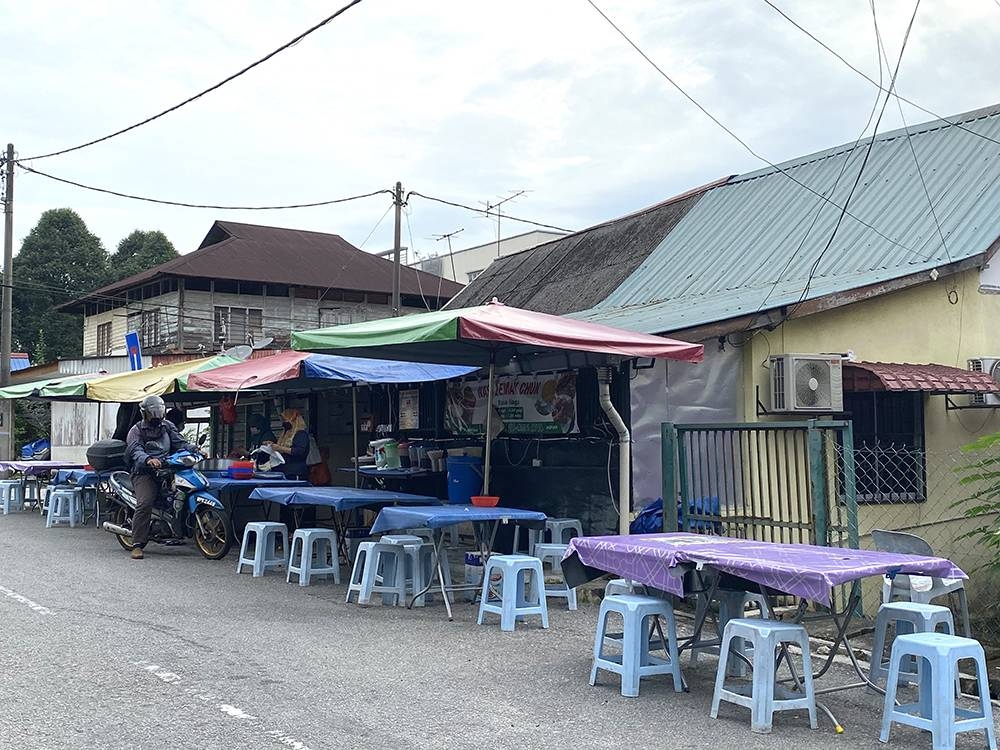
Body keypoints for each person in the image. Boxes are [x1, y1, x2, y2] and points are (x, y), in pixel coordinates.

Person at [124, 394, 199, 560]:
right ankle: (137, 544)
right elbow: (135, 450)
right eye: (153, 412)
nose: (156, 416)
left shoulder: (168, 426)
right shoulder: (136, 430)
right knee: (145, 503)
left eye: (159, 411)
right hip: (144, 473)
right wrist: (148, 459)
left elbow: (180, 443)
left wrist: (195, 449)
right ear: (144, 413)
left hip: (168, 470)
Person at [263, 408, 310, 480]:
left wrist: (280, 448)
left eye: (285, 420)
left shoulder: (301, 434)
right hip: (283, 471)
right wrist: (272, 445)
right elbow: (283, 447)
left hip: (294, 472)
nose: (283, 422)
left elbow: (299, 451)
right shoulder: (285, 433)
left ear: (293, 420)